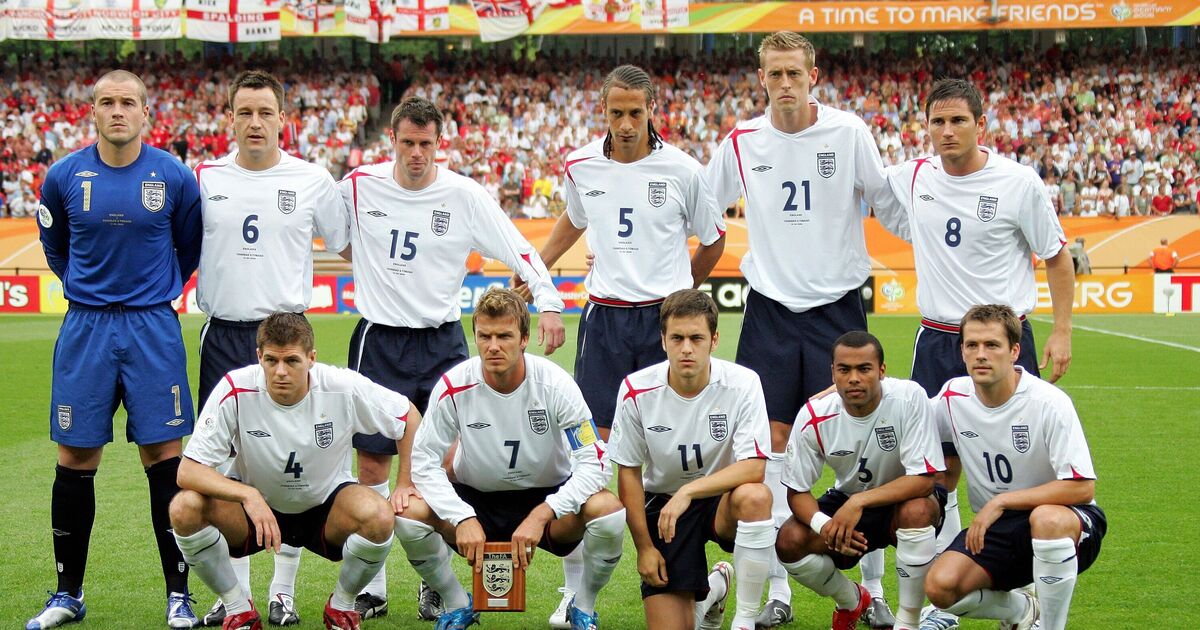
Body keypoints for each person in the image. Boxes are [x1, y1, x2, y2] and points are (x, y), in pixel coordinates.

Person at [704, 32, 907, 627]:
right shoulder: (742, 140)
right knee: (770, 447)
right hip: (769, 310)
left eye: (795, 72)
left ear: (813, 75)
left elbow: (888, 203)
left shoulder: (848, 133)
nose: (785, 83)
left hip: (837, 309)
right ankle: (780, 590)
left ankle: (873, 589)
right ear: (761, 78)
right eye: (775, 74)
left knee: (860, 443)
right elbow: (699, 206)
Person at [338, 96, 565, 620]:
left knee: (445, 461)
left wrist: (549, 300)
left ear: (440, 143)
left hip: (442, 340)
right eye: (408, 143)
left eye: (426, 144)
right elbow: (332, 234)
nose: (417, 153)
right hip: (379, 337)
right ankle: (374, 587)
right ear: (391, 140)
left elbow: (518, 248)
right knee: (372, 461)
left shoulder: (463, 194)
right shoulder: (358, 185)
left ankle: (433, 582)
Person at [523, 64, 726, 625]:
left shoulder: (683, 169)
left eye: (636, 112)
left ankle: (694, 582)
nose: (628, 123)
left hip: (662, 323)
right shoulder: (581, 165)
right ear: (604, 111)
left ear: (652, 108)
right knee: (587, 453)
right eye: (617, 112)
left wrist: (682, 297)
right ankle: (574, 593)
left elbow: (713, 240)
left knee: (667, 455)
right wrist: (535, 267)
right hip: (605, 322)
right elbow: (573, 221)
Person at [883, 79, 1075, 630]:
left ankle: (1027, 587)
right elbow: (852, 180)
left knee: (1021, 466)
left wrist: (1062, 331)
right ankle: (944, 603)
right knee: (936, 471)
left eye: (958, 121)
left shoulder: (1017, 182)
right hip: (937, 339)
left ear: (980, 125)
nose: (947, 132)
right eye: (937, 122)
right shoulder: (912, 176)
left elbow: (1056, 256)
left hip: (1002, 339)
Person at [31, 69, 203, 630]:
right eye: (107, 102)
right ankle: (67, 594)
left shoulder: (173, 175)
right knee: (75, 457)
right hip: (86, 327)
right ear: (93, 112)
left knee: (164, 457)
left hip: (152, 326)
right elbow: (56, 248)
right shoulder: (63, 176)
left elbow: (188, 248)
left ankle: (179, 596)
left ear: (146, 112)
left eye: (128, 102)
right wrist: (91, 290)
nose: (117, 111)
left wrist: (150, 293)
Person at [191, 70, 351, 627]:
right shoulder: (204, 177)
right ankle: (235, 594)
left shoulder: (311, 179)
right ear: (230, 118)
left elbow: (348, 244)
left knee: (293, 457)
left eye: (265, 112)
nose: (255, 122)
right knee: (226, 463)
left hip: (286, 334)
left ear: (283, 119)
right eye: (245, 112)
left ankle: (283, 590)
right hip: (224, 332)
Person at [395, 288, 626, 630]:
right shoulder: (454, 386)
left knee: (608, 511)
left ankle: (583, 607)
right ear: (475, 337)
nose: (493, 346)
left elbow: (595, 461)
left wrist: (545, 512)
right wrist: (461, 516)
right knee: (408, 515)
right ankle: (457, 604)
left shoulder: (556, 385)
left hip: (547, 502)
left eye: (504, 336)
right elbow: (424, 461)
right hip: (475, 500)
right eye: (484, 336)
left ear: (524, 339)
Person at [169, 313, 416, 630]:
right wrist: (248, 495)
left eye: (292, 361)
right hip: (255, 512)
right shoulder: (235, 387)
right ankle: (237, 607)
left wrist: (405, 481)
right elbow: (188, 471)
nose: (280, 371)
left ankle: (341, 606)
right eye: (271, 360)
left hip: (326, 507)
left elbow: (407, 417)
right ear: (259, 356)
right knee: (184, 508)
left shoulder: (342, 386)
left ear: (311, 358)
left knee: (379, 516)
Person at [925, 304, 1106, 630]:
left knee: (1046, 519)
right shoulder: (952, 397)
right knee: (941, 588)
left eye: (992, 345)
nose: (981, 355)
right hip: (998, 529)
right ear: (962, 351)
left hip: (1068, 523)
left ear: (1014, 352)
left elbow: (1082, 487)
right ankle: (1022, 610)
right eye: (972, 345)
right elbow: (903, 418)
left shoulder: (1049, 402)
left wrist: (1001, 501)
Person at [609, 289, 775, 630]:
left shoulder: (743, 384)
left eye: (696, 338)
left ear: (714, 340)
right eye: (677, 338)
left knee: (756, 496)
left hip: (722, 501)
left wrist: (689, 491)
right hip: (665, 508)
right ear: (663, 340)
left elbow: (755, 466)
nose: (686, 348)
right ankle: (716, 588)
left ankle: (745, 619)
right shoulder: (636, 389)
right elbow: (628, 473)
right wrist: (644, 547)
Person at [776, 331, 945, 630]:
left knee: (917, 511)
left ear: (882, 370)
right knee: (789, 540)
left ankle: (908, 621)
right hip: (849, 497)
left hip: (904, 497)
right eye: (844, 370)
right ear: (833, 373)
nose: (854, 378)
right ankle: (852, 600)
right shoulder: (814, 415)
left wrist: (859, 502)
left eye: (864, 369)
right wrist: (825, 526)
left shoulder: (908, 397)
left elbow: (923, 480)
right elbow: (797, 492)